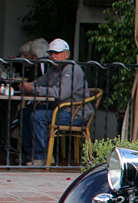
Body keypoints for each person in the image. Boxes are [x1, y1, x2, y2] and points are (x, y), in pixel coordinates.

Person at [18, 38, 92, 166]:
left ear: (66, 54)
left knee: (37, 116)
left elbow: (61, 94)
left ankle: (42, 157)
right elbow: (40, 82)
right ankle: (31, 154)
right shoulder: (54, 69)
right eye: (51, 53)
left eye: (56, 53)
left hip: (74, 114)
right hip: (60, 110)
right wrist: (28, 86)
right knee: (25, 113)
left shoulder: (72, 69)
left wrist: (34, 89)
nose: (53, 56)